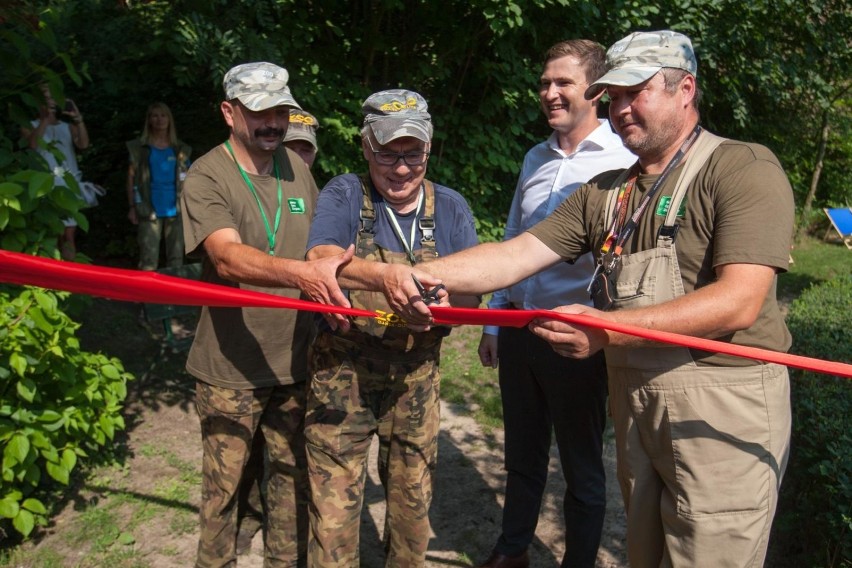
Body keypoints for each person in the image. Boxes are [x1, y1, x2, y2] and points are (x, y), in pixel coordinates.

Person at [377, 31, 794, 568]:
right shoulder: (607, 191)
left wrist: (606, 331)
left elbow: (740, 301)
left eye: (633, 93)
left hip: (720, 407)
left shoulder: (740, 168)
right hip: (637, 397)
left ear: (684, 89)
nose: (619, 108)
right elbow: (514, 254)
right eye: (612, 95)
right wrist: (417, 276)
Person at [179, 61, 354, 568]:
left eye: (281, 110)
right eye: (260, 112)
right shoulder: (208, 174)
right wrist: (301, 277)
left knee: (290, 488)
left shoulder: (296, 167)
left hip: (297, 362)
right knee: (224, 494)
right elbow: (227, 258)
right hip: (230, 369)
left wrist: (344, 288)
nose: (273, 123)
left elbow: (319, 248)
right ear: (229, 113)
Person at [303, 89, 480, 567]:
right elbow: (321, 260)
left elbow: (472, 294)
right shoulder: (345, 192)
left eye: (413, 153)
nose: (401, 168)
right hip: (344, 372)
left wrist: (451, 301)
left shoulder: (451, 207)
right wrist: (385, 277)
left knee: (412, 504)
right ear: (365, 146)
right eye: (387, 153)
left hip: (417, 376)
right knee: (333, 508)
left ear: (429, 148)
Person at [476, 39, 635, 568]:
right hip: (521, 327)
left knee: (582, 466)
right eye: (545, 82)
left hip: (577, 337)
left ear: (596, 90)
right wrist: (496, 319)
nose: (549, 93)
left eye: (563, 83)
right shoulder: (534, 157)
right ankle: (513, 548)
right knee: (521, 454)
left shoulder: (626, 160)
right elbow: (513, 237)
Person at [234, 106, 321, 557]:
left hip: (295, 347)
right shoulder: (243, 181)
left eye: (307, 149)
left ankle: (284, 538)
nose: (299, 156)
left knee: (289, 455)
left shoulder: (316, 193)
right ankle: (246, 516)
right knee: (242, 457)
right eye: (293, 148)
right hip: (243, 345)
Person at [22, 84, 90, 260]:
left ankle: (70, 278)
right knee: (51, 234)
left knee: (69, 234)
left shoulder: (67, 126)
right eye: (44, 97)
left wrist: (79, 119)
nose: (49, 100)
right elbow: (33, 145)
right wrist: (44, 119)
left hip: (69, 184)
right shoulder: (30, 125)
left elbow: (83, 144)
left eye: (51, 97)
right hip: (45, 185)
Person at [126, 102, 192, 270]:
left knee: (177, 258)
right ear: (149, 120)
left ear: (169, 120)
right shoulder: (140, 148)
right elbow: (131, 179)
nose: (159, 119)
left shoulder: (180, 149)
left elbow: (188, 179)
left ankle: (174, 295)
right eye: (155, 115)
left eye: (163, 115)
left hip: (176, 208)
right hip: (148, 208)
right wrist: (132, 206)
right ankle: (147, 296)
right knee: (148, 259)